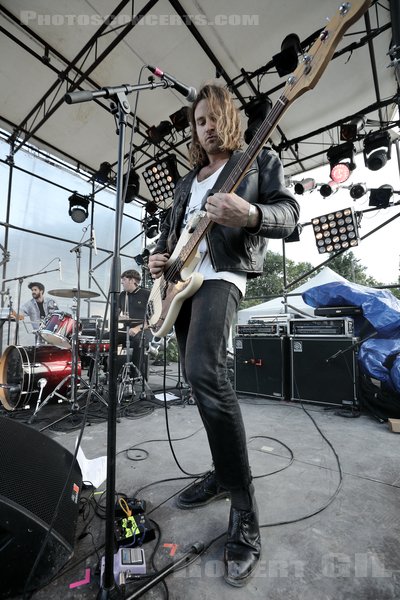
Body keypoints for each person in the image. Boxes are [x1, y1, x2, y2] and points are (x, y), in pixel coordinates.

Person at [148, 83, 300, 587]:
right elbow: (174, 235)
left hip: (223, 275)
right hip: (180, 283)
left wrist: (251, 214)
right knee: (199, 384)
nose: (206, 127)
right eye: (199, 121)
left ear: (229, 119)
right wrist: (158, 258)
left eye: (214, 118)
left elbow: (290, 215)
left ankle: (245, 511)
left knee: (203, 372)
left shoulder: (256, 160)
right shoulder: (187, 180)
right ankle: (220, 473)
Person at [118, 269, 151, 376]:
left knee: (139, 340)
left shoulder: (147, 294)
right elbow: (116, 315)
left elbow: (154, 319)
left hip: (144, 329)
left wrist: (137, 328)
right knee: (105, 338)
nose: (121, 282)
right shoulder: (122, 295)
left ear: (132, 280)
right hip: (126, 329)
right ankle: (110, 372)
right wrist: (119, 317)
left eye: (124, 279)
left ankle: (135, 376)